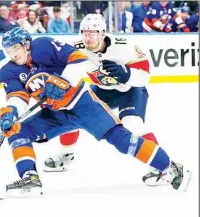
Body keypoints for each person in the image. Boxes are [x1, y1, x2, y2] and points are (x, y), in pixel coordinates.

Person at [0, 27, 191, 196]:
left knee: (122, 140)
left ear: (26, 44)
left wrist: (64, 81)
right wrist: (10, 113)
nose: (12, 54)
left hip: (83, 105)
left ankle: (170, 167)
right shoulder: (8, 71)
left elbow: (79, 58)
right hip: (55, 114)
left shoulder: (43, 46)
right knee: (18, 130)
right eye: (8, 50)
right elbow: (17, 96)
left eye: (15, 48)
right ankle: (30, 178)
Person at [43, 13, 190, 188]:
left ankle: (164, 168)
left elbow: (144, 77)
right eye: (84, 32)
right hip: (103, 91)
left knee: (132, 125)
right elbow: (69, 72)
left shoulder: (125, 47)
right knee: (72, 110)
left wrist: (127, 74)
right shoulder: (78, 49)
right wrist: (59, 85)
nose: (88, 37)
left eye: (93, 33)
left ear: (103, 33)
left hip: (130, 90)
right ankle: (66, 155)